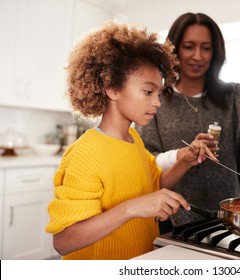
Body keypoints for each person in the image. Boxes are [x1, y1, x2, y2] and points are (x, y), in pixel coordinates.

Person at [45, 21, 218, 260]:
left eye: (159, 93)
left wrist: (186, 160)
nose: (157, 102)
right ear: (112, 89)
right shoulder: (85, 154)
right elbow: (64, 240)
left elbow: (155, 183)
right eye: (148, 92)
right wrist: (132, 207)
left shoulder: (132, 138)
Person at [136, 13, 240, 232]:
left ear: (216, 52)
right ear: (174, 49)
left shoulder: (233, 95)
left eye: (206, 48)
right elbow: (146, 161)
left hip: (228, 223)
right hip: (170, 222)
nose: (197, 56)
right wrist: (181, 155)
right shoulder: (156, 98)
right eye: (189, 46)